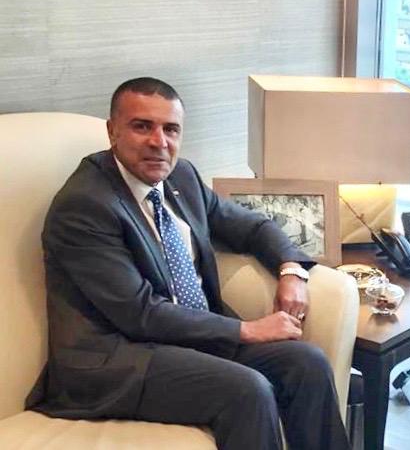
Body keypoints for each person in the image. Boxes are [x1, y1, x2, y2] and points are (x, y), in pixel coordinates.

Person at [25, 77, 350, 450]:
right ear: (113, 131)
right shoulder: (85, 205)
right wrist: (246, 330)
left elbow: (253, 227)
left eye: (171, 129)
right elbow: (139, 313)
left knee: (307, 364)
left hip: (187, 336)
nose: (159, 142)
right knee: (247, 389)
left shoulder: (182, 176)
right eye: (142, 126)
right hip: (117, 358)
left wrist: (291, 270)